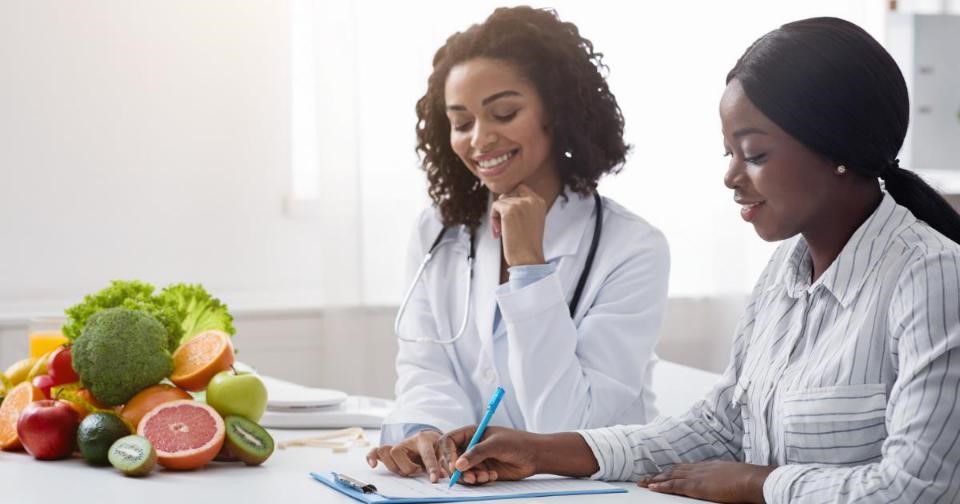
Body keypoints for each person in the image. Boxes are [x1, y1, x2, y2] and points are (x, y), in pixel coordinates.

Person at [433, 17, 960, 503]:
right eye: (727, 153)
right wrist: (542, 452)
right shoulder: (784, 275)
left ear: (836, 146)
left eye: (753, 154)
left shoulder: (930, 277)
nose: (731, 176)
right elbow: (721, 425)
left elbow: (918, 487)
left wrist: (758, 483)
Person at [369, 6, 670, 483]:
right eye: (461, 123)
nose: (480, 139)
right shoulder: (438, 232)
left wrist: (530, 267)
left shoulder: (632, 247)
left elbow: (569, 427)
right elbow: (426, 366)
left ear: (556, 110)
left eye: (504, 113)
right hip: (465, 486)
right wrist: (430, 436)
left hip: (591, 492)